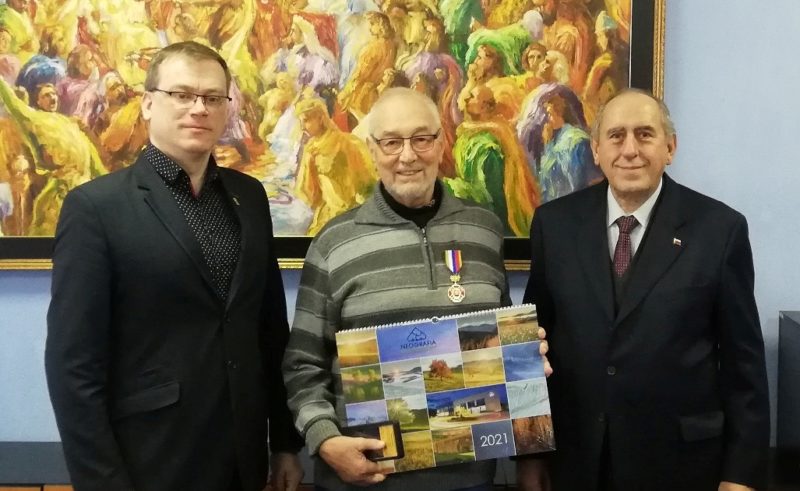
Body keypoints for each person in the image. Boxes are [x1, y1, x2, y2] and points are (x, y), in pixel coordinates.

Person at [44, 41, 304, 491]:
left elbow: (269, 329)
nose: (198, 109)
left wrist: (284, 441)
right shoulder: (96, 208)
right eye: (181, 94)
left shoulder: (249, 198)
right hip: (149, 462)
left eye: (213, 97)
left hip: (243, 460)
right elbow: (73, 366)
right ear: (148, 104)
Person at [283, 87, 549, 491]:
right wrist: (325, 440)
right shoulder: (333, 243)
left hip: (469, 481)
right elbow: (303, 364)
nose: (408, 156)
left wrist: (522, 355)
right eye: (391, 142)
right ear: (372, 150)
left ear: (441, 143)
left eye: (422, 138)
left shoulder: (484, 230)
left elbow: (496, 349)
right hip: (362, 479)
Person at [518, 89, 770, 491]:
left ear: (670, 148)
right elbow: (532, 350)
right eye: (616, 136)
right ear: (596, 150)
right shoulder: (554, 225)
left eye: (645, 134)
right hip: (576, 461)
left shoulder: (720, 230)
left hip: (681, 465)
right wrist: (531, 455)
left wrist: (740, 475)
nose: (630, 150)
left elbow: (744, 367)